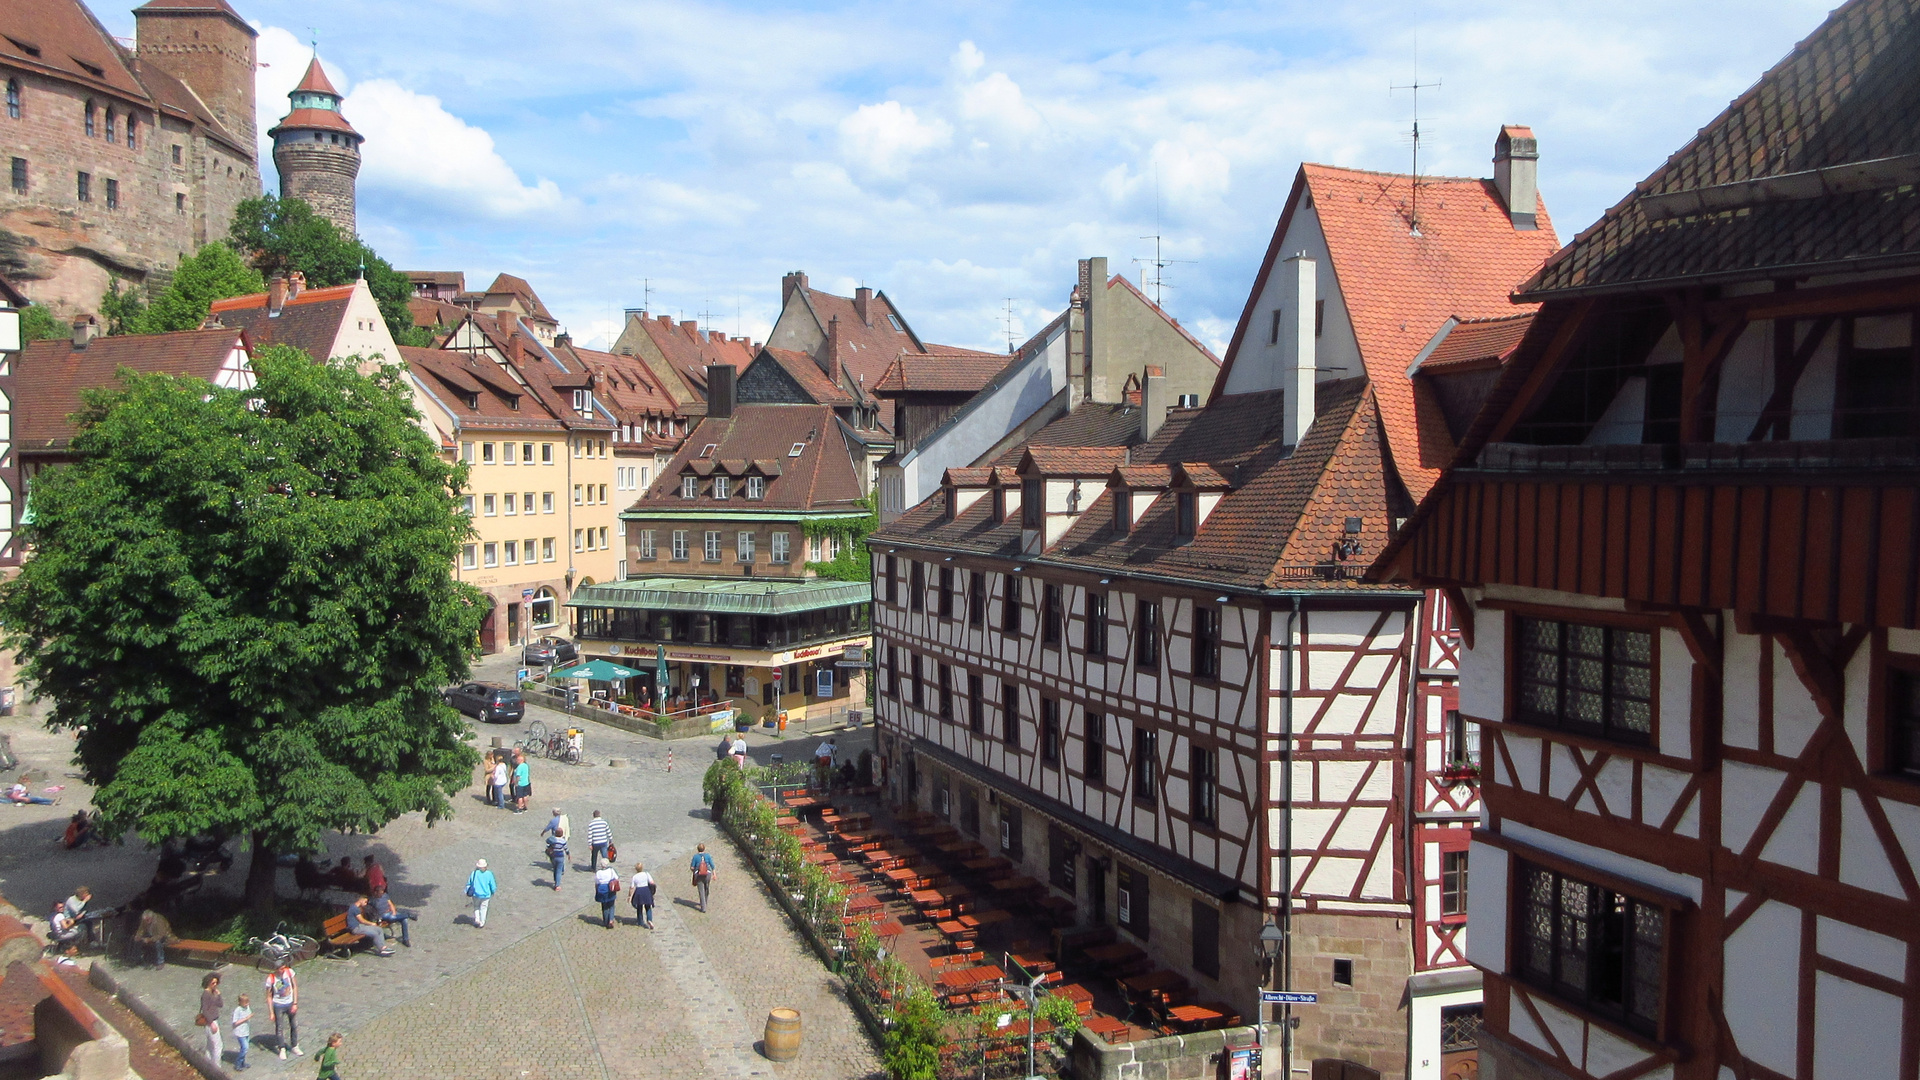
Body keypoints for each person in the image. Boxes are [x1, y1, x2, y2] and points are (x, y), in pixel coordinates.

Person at [266, 959, 300, 1059]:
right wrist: (271, 1012)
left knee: (294, 1025)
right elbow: (268, 996)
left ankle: (294, 1045)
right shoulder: (271, 978)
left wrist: (295, 1003)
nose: (282, 971)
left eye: (283, 968)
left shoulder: (289, 973)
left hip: (289, 1003)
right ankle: (282, 1048)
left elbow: (294, 987)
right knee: (279, 1027)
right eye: (280, 969)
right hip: (278, 1005)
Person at [200, 974, 224, 1067]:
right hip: (211, 1021)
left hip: (214, 1020)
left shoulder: (213, 992)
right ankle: (216, 1067)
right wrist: (211, 1023)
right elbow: (205, 1010)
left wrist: (219, 995)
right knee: (218, 1046)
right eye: (213, 983)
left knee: (210, 1045)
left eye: (216, 982)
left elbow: (220, 1004)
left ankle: (208, 1063)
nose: (215, 984)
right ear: (208, 983)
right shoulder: (205, 994)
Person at [465, 859, 496, 929]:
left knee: (476, 907)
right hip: (486, 895)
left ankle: (477, 920)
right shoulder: (489, 874)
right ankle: (482, 922)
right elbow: (492, 885)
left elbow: (469, 883)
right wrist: (493, 891)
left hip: (475, 894)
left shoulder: (474, 873)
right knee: (484, 908)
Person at [592, 862, 620, 928]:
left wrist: (597, 891)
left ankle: (606, 921)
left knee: (604, 906)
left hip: (601, 889)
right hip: (610, 889)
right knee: (611, 905)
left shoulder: (598, 872)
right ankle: (611, 920)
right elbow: (616, 878)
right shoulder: (611, 870)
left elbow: (596, 883)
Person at [690, 843, 715, 913]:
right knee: (706, 888)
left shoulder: (695, 857)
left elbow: (692, 867)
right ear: (704, 849)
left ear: (698, 849)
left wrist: (694, 871)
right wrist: (714, 874)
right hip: (708, 875)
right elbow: (712, 866)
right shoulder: (708, 856)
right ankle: (705, 902)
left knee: (701, 891)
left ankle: (703, 907)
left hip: (699, 875)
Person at [630, 862, 656, 929]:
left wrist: (629, 896)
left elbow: (632, 887)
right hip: (646, 890)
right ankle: (649, 920)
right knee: (648, 907)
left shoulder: (634, 877)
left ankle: (640, 921)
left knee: (639, 907)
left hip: (639, 891)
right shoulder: (646, 874)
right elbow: (652, 882)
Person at [231, 994, 253, 1071]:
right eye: (245, 1002)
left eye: (248, 1002)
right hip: (240, 1033)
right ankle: (238, 1063)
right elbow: (235, 1022)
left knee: (244, 1048)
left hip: (246, 1031)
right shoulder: (238, 1010)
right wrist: (246, 1018)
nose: (247, 1004)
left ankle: (243, 1062)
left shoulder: (247, 1007)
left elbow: (249, 1014)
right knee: (245, 1048)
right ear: (240, 1002)